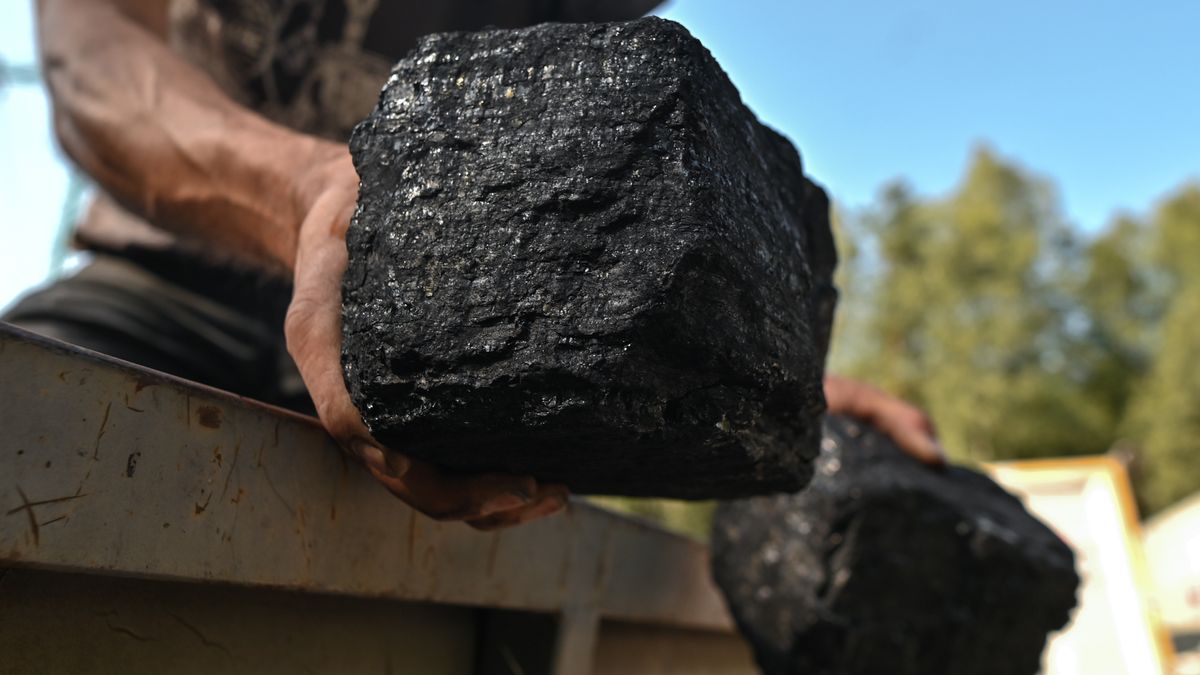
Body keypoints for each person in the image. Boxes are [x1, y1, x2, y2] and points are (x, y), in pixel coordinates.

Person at [8, 0, 943, 531]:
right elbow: (93, 54)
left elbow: (623, 208)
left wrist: (751, 356)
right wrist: (299, 189)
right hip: (168, 284)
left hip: (428, 344)